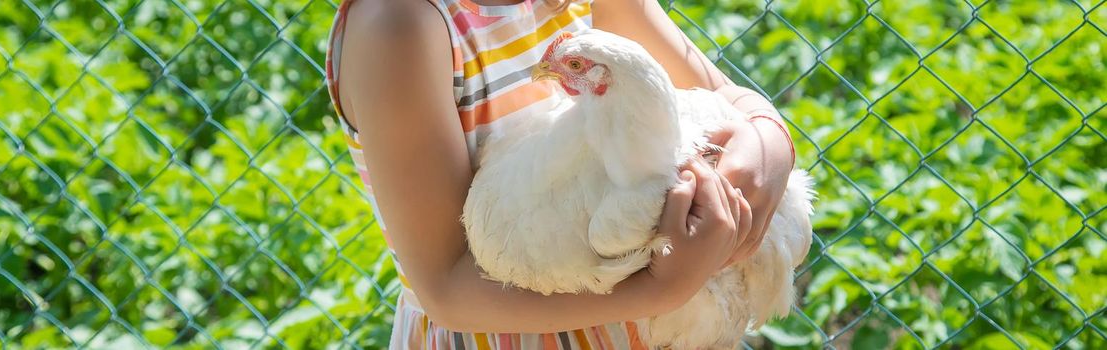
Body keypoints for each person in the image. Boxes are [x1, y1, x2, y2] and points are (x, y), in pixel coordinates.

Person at [325, 0, 797, 348]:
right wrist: (662, 289)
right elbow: (446, 289)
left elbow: (727, 96)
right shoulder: (398, 26)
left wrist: (769, 142)